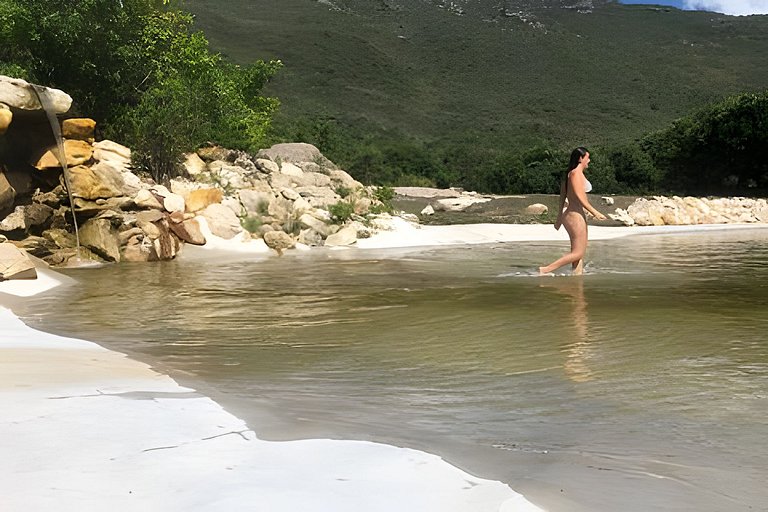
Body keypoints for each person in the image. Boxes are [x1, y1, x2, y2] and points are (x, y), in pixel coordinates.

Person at [539, 147, 606, 275]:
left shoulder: (572, 174)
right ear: (581, 158)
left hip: (576, 215)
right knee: (578, 252)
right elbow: (580, 197)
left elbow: (562, 196)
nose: (589, 160)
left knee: (578, 252)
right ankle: (545, 270)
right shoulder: (575, 174)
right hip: (574, 216)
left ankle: (577, 279)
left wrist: (559, 217)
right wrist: (595, 212)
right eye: (588, 157)